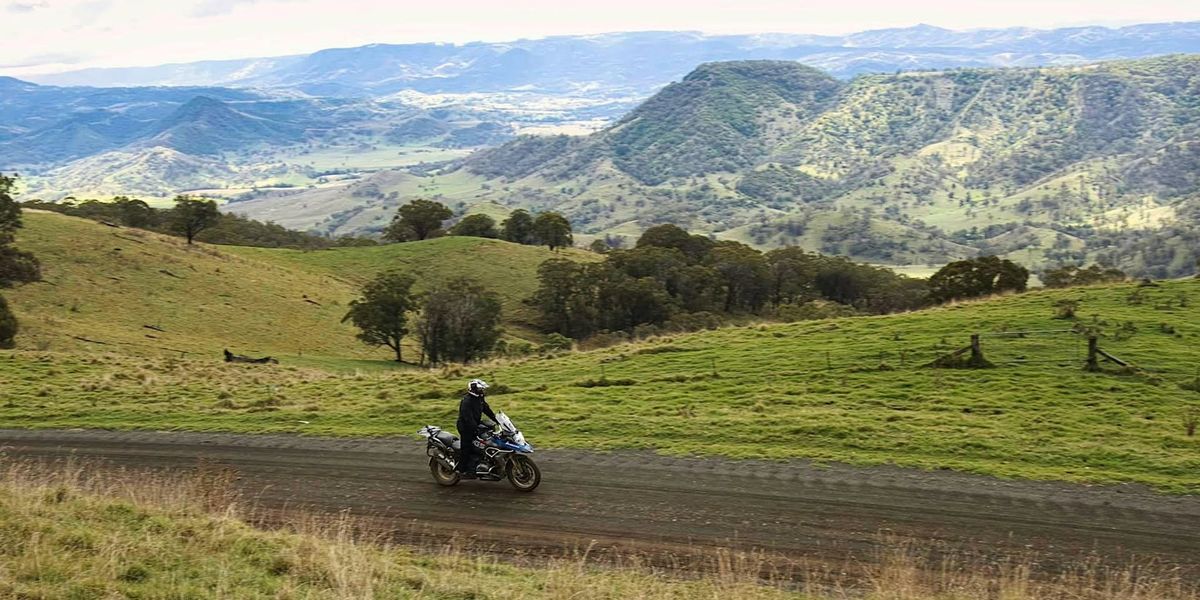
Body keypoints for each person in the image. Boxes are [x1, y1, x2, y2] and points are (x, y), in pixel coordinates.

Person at [457, 378, 497, 478]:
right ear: (474, 389)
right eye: (481, 389)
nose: (482, 391)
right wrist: (476, 429)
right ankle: (462, 471)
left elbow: (486, 409)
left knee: (488, 437)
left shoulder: (479, 398)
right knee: (468, 447)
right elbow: (468, 419)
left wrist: (496, 419)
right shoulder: (466, 402)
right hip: (465, 427)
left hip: (474, 423)